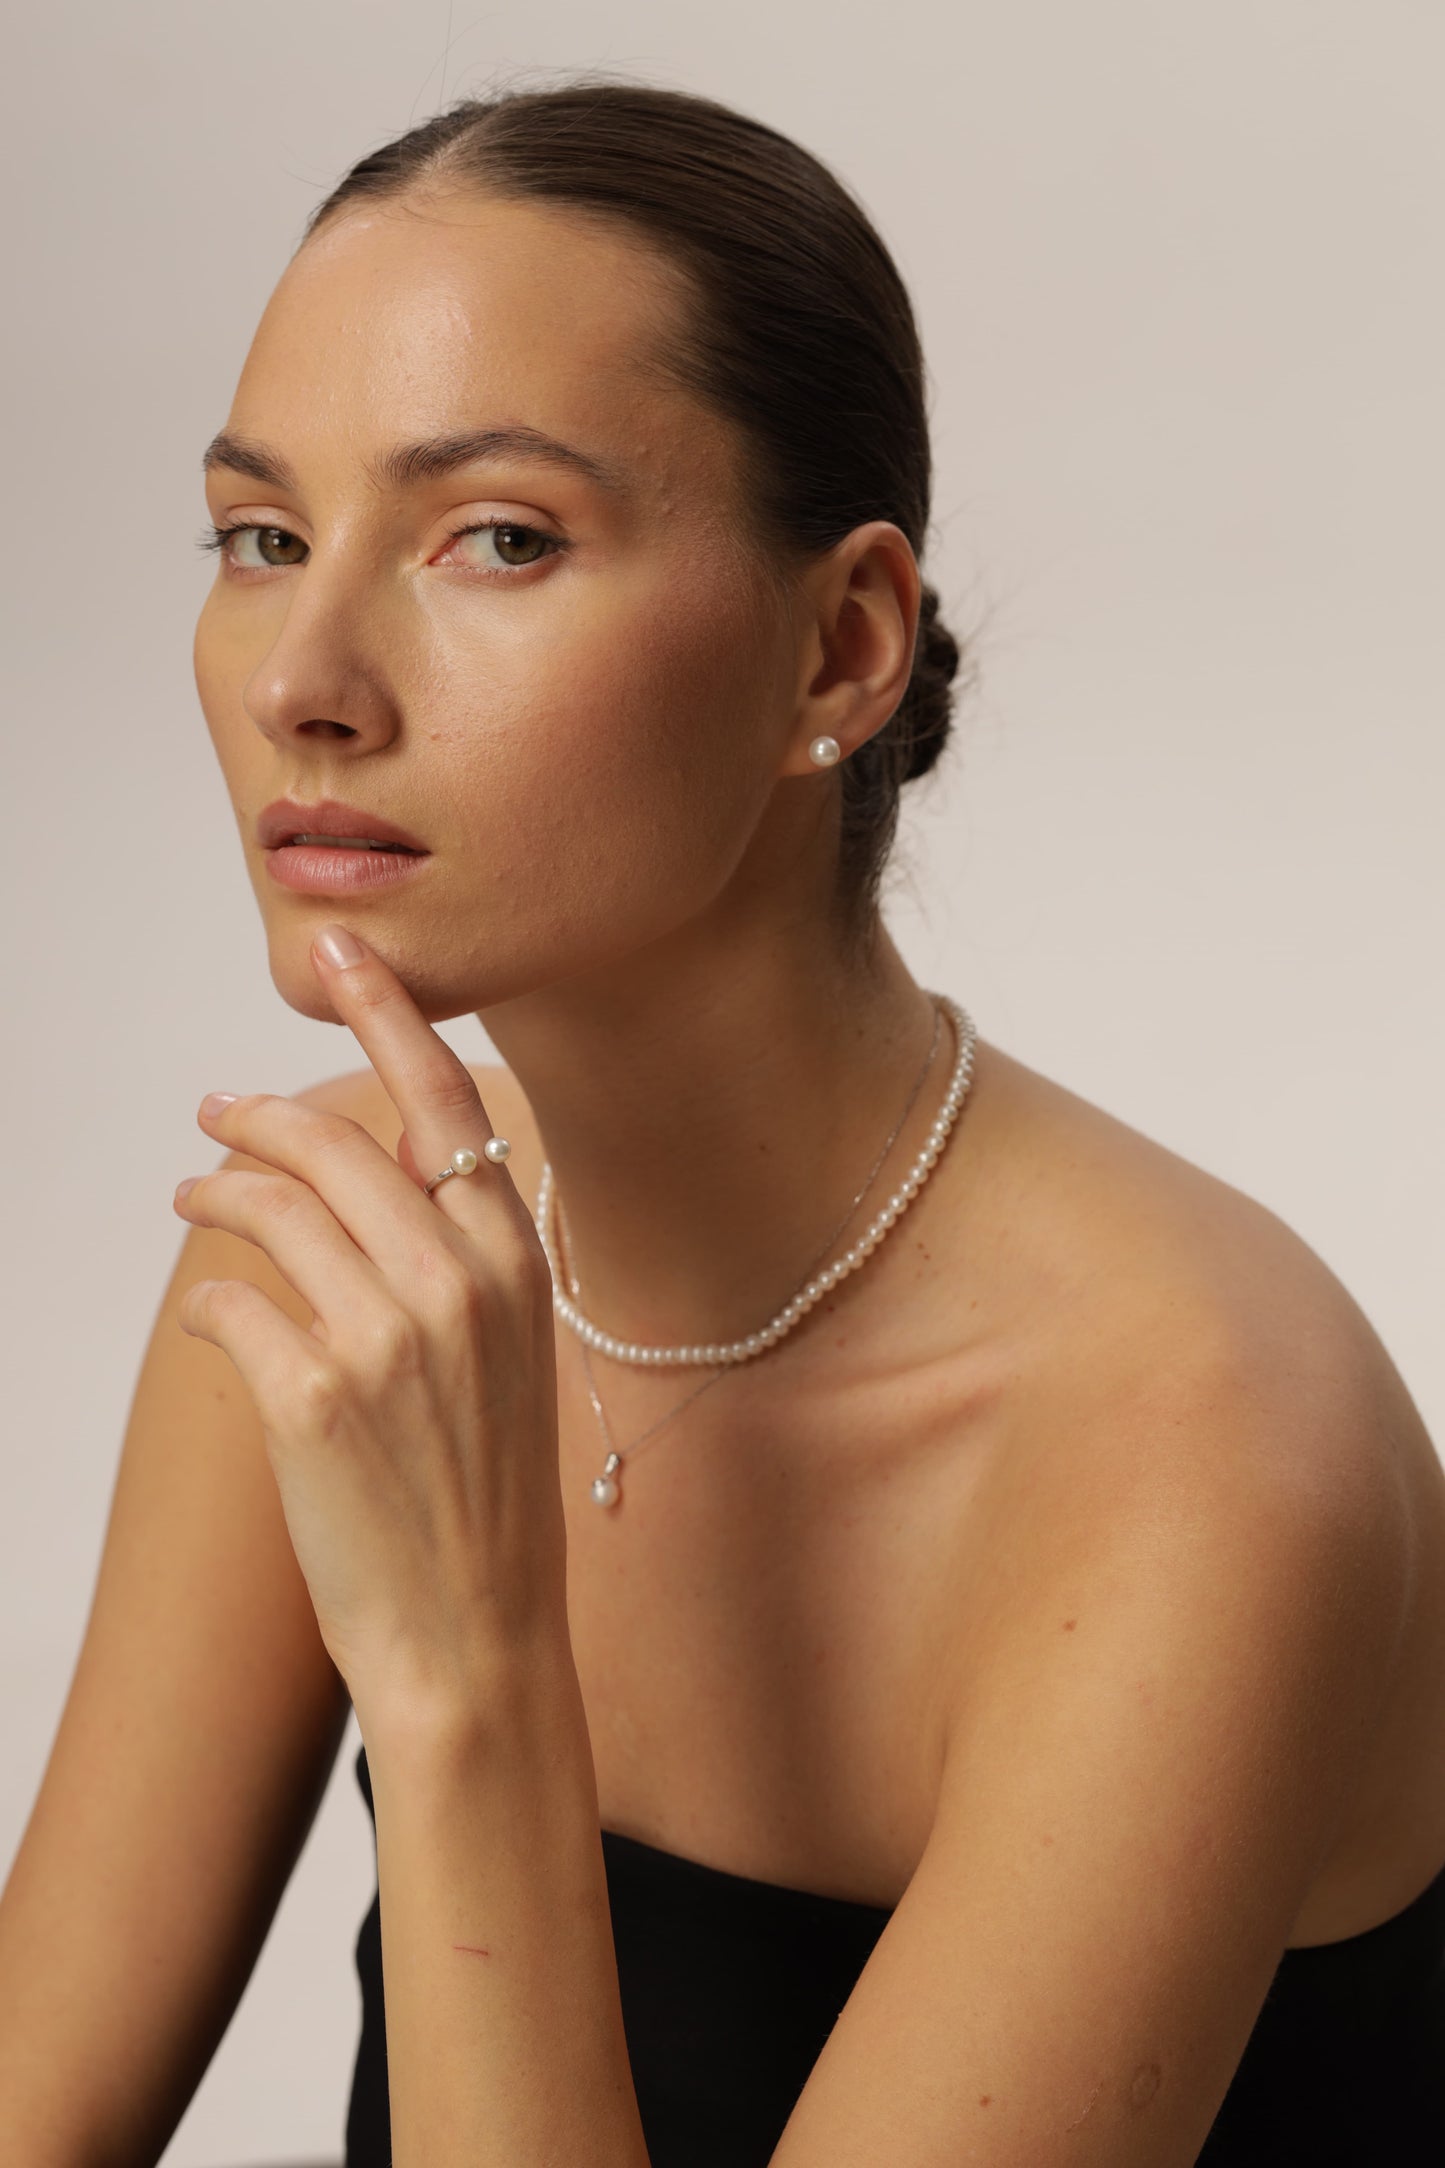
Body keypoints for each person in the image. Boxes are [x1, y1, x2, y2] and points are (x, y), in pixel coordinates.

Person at [1, 74, 1442, 2168]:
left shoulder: (1203, 1450)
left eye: (498, 538)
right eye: (262, 538)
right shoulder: (338, 1260)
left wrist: (469, 1677)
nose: (304, 676)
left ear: (837, 649)